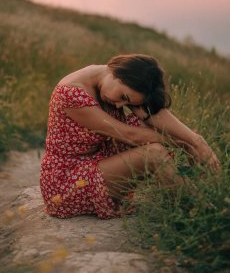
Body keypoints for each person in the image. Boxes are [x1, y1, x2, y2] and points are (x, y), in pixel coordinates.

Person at [40, 54, 220, 219]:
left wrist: (196, 141)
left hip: (96, 162)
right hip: (66, 183)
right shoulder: (71, 94)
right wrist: (181, 143)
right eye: (123, 97)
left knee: (151, 124)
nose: (120, 105)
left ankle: (202, 188)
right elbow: (129, 135)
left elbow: (154, 115)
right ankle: (195, 210)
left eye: (127, 102)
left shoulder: (113, 79)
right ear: (117, 74)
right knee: (154, 154)